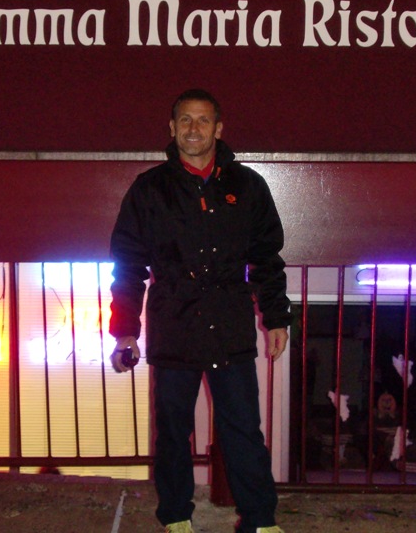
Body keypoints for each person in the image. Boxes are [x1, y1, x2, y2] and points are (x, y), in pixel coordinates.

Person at [108, 89, 291, 533]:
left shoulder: (248, 186)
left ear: (219, 128)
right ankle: (175, 517)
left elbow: (266, 258)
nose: (194, 129)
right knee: (173, 431)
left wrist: (276, 317)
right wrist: (125, 329)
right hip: (174, 324)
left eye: (203, 120)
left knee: (243, 428)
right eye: (185, 120)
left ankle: (260, 521)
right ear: (172, 128)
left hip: (229, 325)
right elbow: (128, 264)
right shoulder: (149, 189)